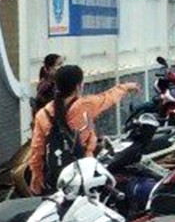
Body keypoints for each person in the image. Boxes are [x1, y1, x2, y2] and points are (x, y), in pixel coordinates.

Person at [28, 63, 140, 195]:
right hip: (84, 171)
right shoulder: (85, 105)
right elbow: (108, 97)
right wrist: (127, 87)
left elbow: (37, 150)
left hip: (57, 176)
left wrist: (36, 177)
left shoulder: (43, 114)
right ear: (78, 86)